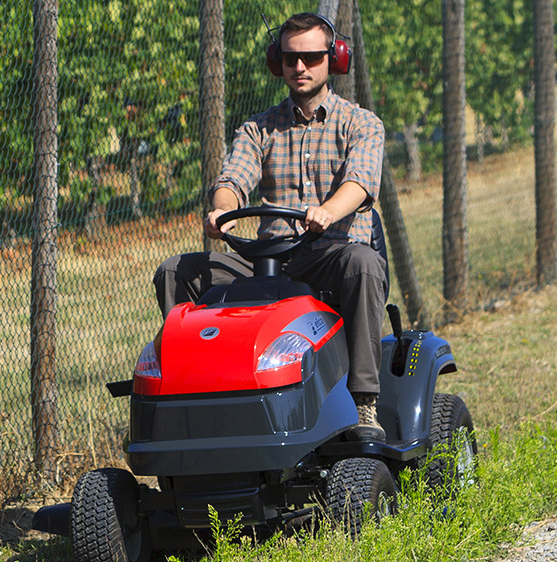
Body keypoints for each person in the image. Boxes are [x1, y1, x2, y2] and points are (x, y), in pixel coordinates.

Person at [153, 12, 389, 440]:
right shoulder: (258, 129)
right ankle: (192, 394)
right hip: (271, 262)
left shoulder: (361, 124)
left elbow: (359, 183)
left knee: (362, 262)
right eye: (290, 58)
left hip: (331, 255)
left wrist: (329, 211)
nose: (300, 67)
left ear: (333, 60)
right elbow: (231, 183)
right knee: (176, 270)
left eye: (312, 57)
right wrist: (221, 211)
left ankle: (363, 403)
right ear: (276, 62)